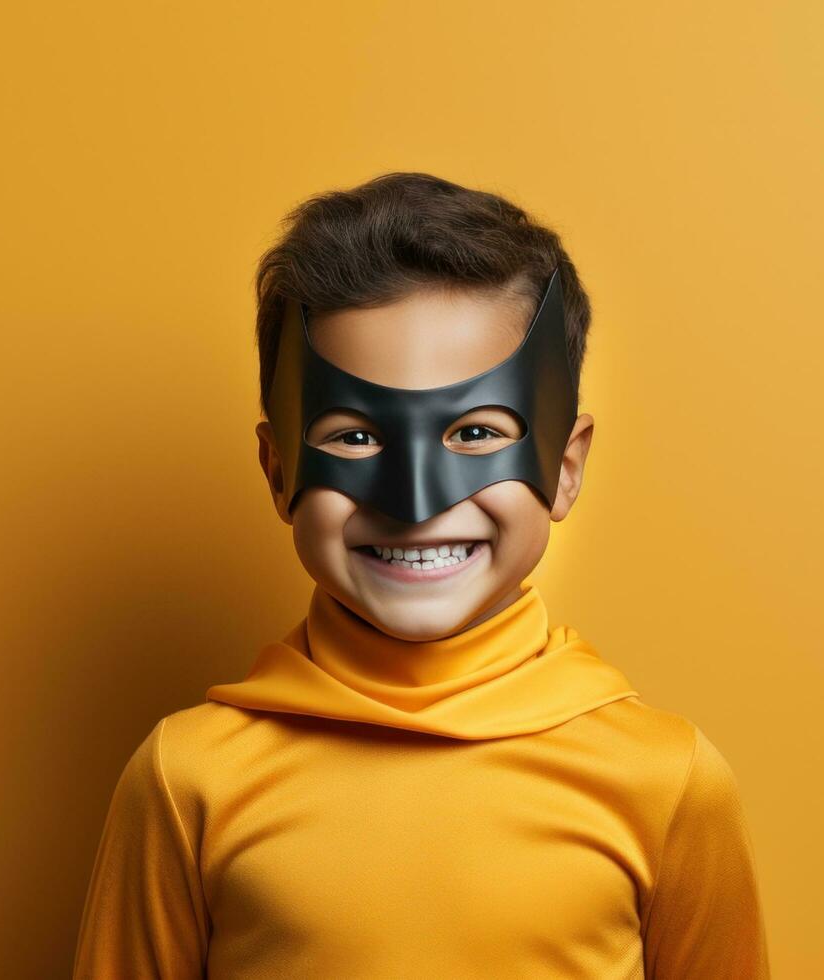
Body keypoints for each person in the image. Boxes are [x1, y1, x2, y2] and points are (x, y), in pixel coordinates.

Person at [72, 172, 771, 978]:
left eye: (477, 432)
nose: (415, 505)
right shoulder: (186, 778)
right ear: (277, 469)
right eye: (353, 438)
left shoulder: (665, 780)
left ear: (565, 466)